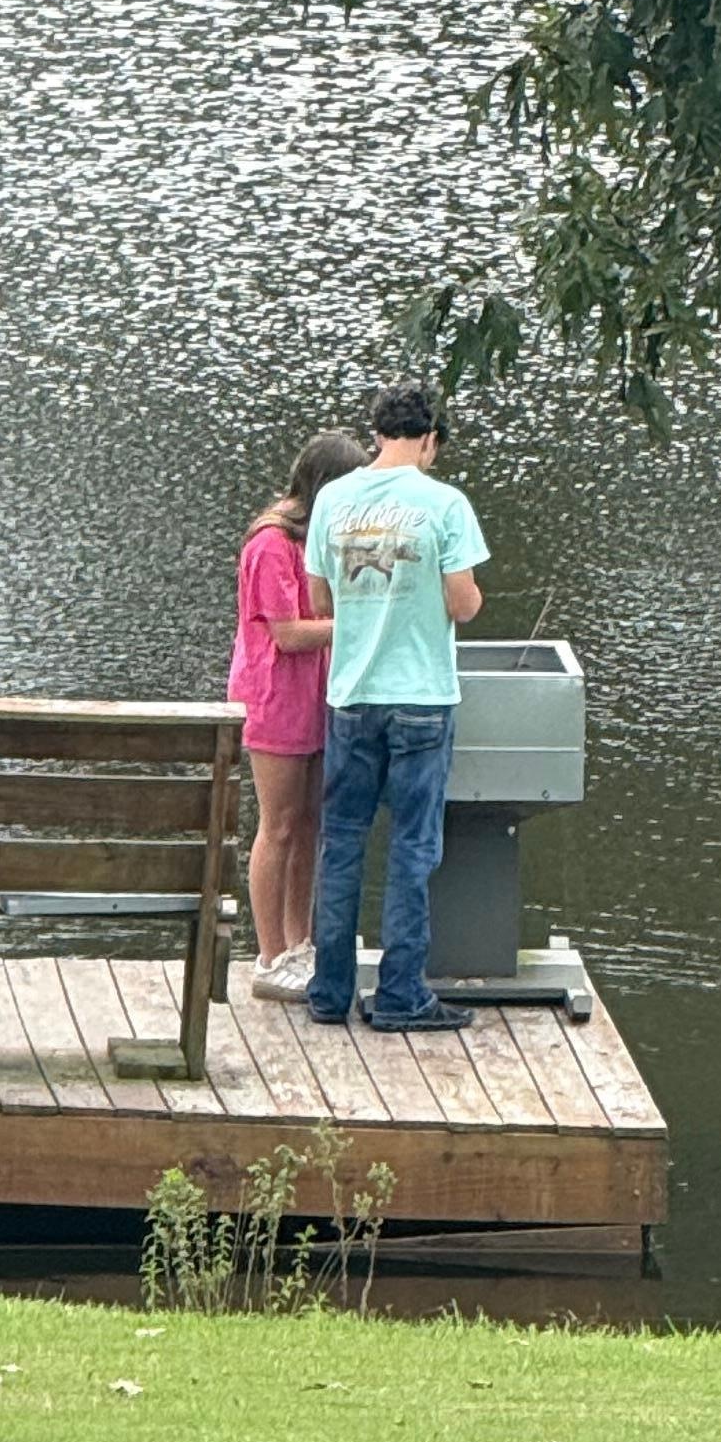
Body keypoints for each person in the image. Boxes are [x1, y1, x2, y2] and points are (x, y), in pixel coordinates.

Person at [303, 381, 487, 1034]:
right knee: (413, 845)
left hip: (351, 695)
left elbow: (321, 601)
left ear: (377, 432)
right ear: (431, 439)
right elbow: (463, 603)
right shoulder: (445, 503)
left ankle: (328, 992)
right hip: (422, 698)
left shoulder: (332, 498)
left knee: (343, 841)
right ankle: (402, 994)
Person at [229, 423, 373, 999]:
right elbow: (286, 633)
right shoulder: (270, 542)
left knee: (310, 821)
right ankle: (268, 956)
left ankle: (300, 941)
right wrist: (357, 623)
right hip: (275, 695)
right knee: (279, 822)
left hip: (318, 691)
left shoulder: (318, 535)